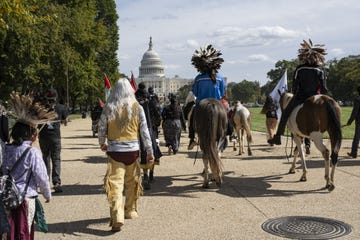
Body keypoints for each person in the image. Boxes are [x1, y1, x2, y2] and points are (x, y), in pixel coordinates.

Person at [98, 78, 154, 232]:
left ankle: (117, 216)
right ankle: (130, 210)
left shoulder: (109, 107)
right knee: (132, 182)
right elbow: (145, 132)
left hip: (115, 152)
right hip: (133, 152)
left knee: (115, 185)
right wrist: (149, 151)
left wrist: (102, 142)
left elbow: (101, 126)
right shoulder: (137, 107)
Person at [1, 93, 52, 240]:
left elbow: (4, 170)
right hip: (26, 199)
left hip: (6, 198)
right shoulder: (33, 153)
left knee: (9, 233)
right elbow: (41, 176)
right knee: (23, 232)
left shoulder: (6, 149)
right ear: (31, 135)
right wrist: (47, 194)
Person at [268, 39, 328, 145]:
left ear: (304, 56)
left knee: (285, 114)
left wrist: (295, 93)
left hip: (301, 97)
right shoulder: (320, 70)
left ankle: (277, 137)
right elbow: (324, 88)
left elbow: (295, 86)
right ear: (317, 57)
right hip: (316, 97)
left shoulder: (300, 69)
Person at [188, 44, 226, 150]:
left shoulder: (199, 78)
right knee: (226, 115)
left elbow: (195, 93)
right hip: (217, 102)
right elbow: (223, 92)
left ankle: (192, 138)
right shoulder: (220, 78)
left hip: (201, 103)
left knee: (192, 118)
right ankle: (229, 133)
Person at [38, 88, 68, 193]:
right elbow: (65, 121)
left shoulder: (40, 108)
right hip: (55, 137)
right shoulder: (61, 108)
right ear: (56, 97)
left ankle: (45, 182)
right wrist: (65, 120)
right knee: (56, 159)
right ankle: (56, 182)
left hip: (43, 137)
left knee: (45, 159)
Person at [135, 83, 162, 190]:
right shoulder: (151, 102)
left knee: (141, 151)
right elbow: (157, 116)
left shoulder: (134, 103)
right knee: (152, 149)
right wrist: (156, 125)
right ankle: (151, 173)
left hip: (136, 130)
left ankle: (144, 174)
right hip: (150, 130)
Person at [346, 85, 360, 158]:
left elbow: (355, 112)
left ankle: (354, 153)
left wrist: (350, 121)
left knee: (356, 138)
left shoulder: (357, 99)